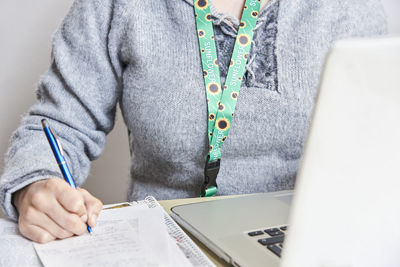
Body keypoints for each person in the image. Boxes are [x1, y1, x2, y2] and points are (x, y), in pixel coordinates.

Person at [0, 0, 386, 244]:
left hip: (304, 242)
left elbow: (381, 143)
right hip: (163, 245)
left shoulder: (350, 7)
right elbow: (58, 125)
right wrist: (34, 184)